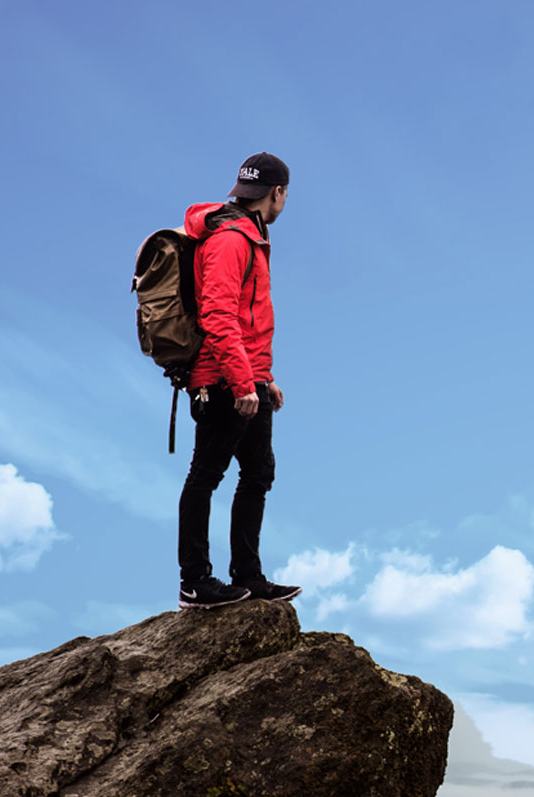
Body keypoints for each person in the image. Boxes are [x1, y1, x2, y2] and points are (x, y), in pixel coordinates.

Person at [178, 152, 302, 609]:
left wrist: (264, 379)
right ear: (278, 193)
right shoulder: (231, 239)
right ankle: (195, 582)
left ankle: (247, 576)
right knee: (205, 477)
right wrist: (241, 381)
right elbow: (217, 315)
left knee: (258, 475)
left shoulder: (253, 234)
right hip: (221, 379)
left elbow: (249, 320)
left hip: (248, 377)